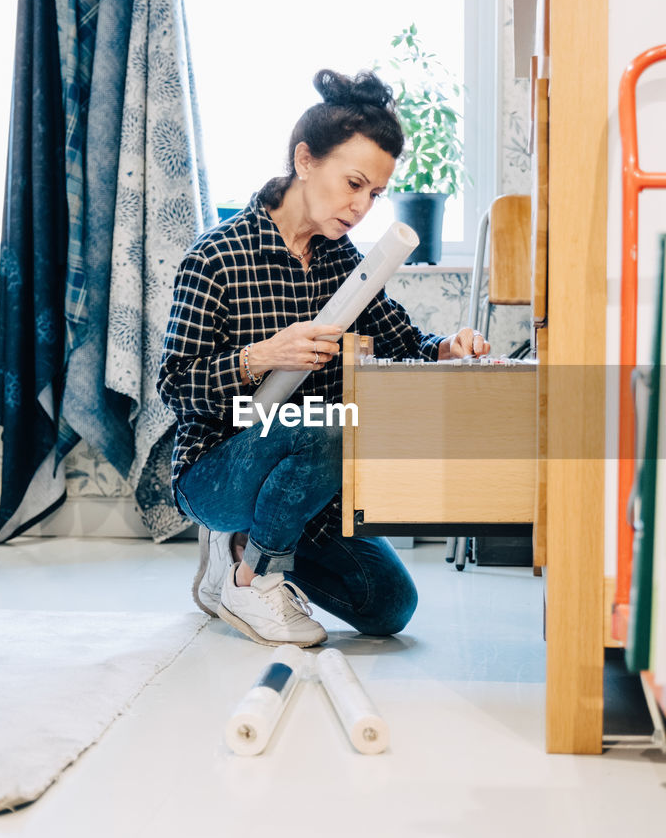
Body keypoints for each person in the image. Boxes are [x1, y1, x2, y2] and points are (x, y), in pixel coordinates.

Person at [156, 69, 490, 648]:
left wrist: (449, 346)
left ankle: (247, 549)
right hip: (217, 470)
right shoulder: (215, 257)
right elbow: (174, 387)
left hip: (306, 478)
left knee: (390, 607)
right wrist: (259, 356)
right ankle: (249, 573)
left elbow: (403, 342)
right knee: (331, 426)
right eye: (354, 183)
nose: (361, 206)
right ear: (305, 160)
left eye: (375, 194)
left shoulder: (343, 260)